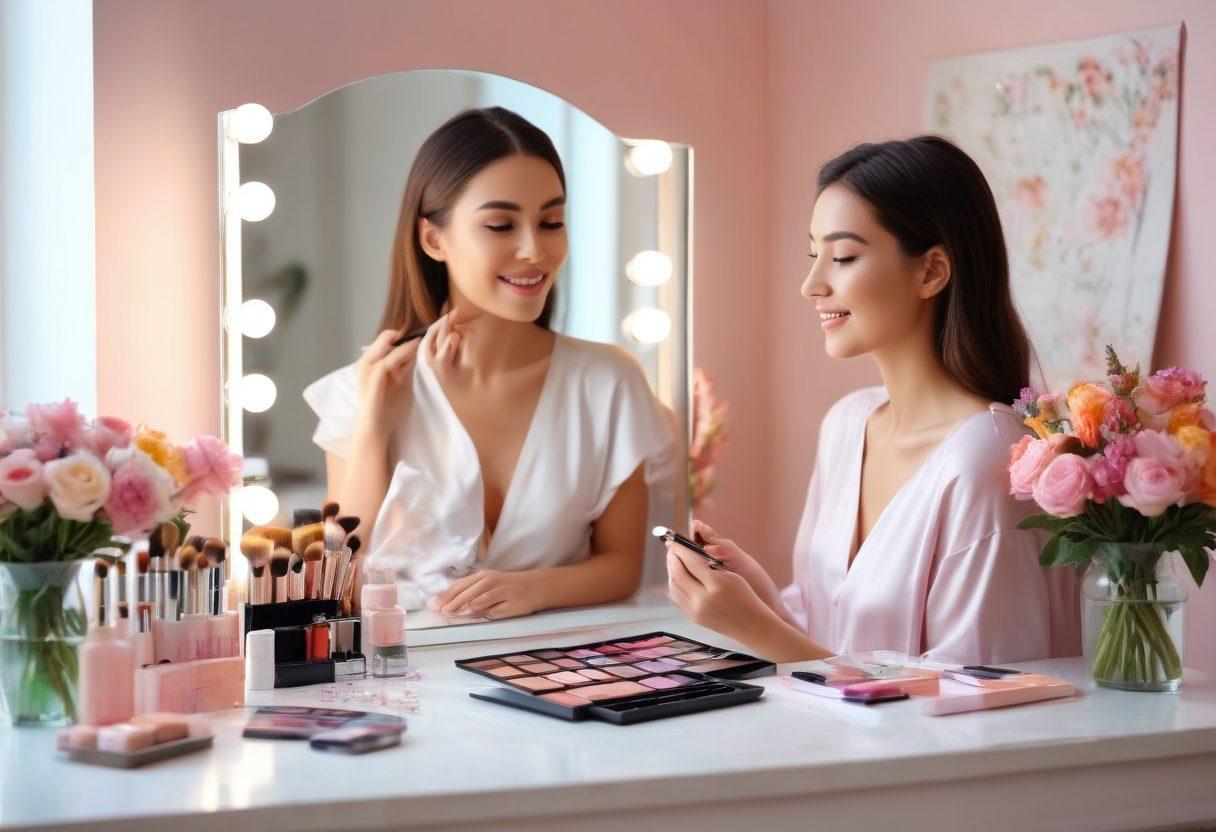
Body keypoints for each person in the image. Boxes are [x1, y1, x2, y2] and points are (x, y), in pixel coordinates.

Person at [665, 136, 1080, 664]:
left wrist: (752, 627)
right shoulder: (847, 424)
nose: (811, 284)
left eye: (841, 257)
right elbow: (831, 643)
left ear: (931, 271)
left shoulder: (988, 462)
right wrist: (755, 594)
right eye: (814, 255)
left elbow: (974, 709)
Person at [305, 107, 675, 616]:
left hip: (558, 672)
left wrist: (533, 589)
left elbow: (622, 565)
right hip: (406, 680)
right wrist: (374, 427)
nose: (534, 250)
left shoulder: (607, 382)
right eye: (500, 225)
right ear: (433, 238)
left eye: (551, 222)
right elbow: (338, 590)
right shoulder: (358, 393)